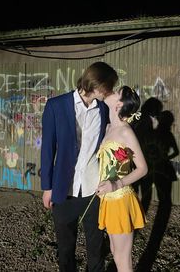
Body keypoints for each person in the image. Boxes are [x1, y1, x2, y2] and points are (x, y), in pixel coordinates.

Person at [40, 61, 118, 272]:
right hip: (64, 189)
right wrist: (47, 187)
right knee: (65, 249)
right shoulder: (55, 106)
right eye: (109, 87)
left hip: (94, 190)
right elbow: (47, 149)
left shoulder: (103, 109)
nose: (110, 92)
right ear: (98, 85)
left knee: (95, 248)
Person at [96, 86, 148, 272]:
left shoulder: (126, 132)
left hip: (120, 199)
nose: (110, 90)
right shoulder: (109, 127)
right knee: (113, 250)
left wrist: (116, 183)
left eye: (115, 91)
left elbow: (142, 168)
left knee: (122, 259)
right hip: (108, 201)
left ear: (118, 104)